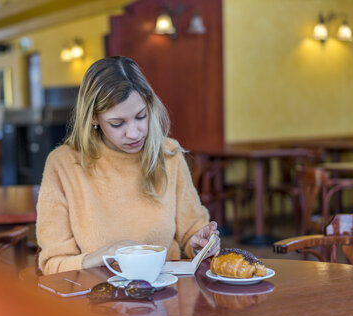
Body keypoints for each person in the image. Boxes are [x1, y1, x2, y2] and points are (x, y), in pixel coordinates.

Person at [37, 56, 220, 275]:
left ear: (150, 107)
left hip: (166, 296)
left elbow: (193, 230)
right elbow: (53, 264)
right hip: (94, 301)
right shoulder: (63, 164)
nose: (133, 133)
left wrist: (200, 243)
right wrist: (105, 255)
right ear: (94, 118)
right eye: (117, 123)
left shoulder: (168, 154)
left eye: (141, 117)